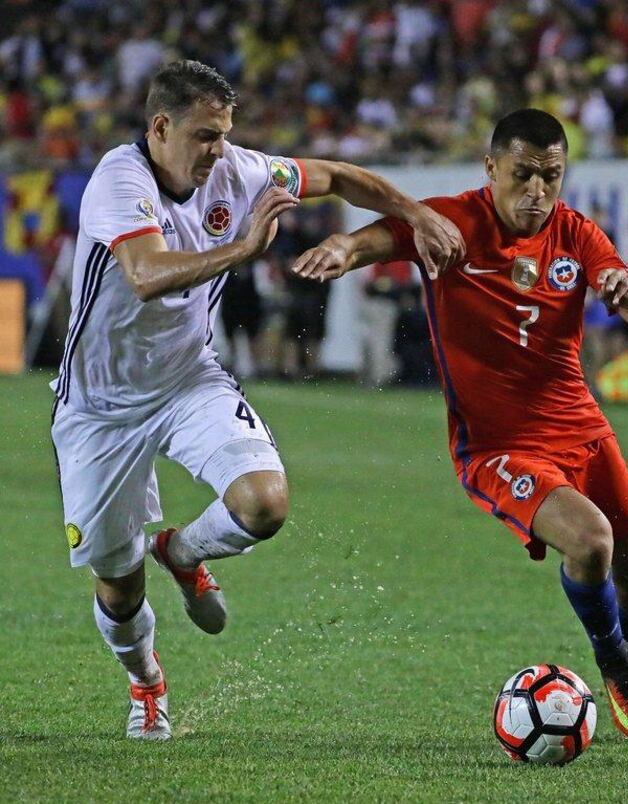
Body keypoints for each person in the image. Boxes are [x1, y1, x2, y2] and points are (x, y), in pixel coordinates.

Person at [50, 60, 464, 741]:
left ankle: (182, 553)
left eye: (225, 134)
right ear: (161, 127)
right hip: (100, 408)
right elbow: (146, 272)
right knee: (118, 587)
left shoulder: (238, 170)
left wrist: (415, 212)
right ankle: (147, 680)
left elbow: (336, 176)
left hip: (189, 381)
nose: (219, 151)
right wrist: (244, 248)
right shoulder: (117, 181)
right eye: (206, 136)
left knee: (264, 502)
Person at [293, 108, 628, 744]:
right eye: (523, 174)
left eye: (551, 177)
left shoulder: (578, 235)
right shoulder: (453, 224)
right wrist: (343, 248)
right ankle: (617, 670)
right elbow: (381, 238)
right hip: (498, 447)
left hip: (582, 427)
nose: (537, 191)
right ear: (491, 168)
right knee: (590, 542)